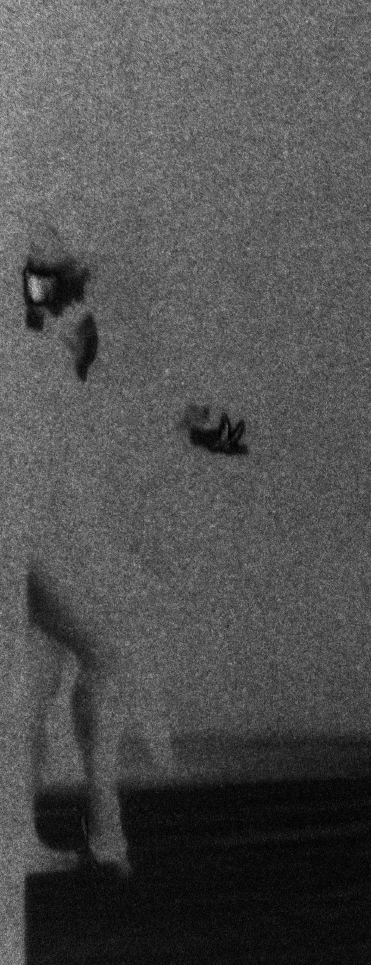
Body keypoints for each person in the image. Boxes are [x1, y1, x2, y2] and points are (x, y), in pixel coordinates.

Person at [12, 218, 201, 877]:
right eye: (40, 274)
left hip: (36, 531)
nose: (47, 286)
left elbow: (90, 448)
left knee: (37, 677)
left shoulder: (63, 342)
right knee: (106, 653)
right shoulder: (41, 346)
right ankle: (102, 822)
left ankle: (30, 835)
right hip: (27, 532)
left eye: (54, 275)